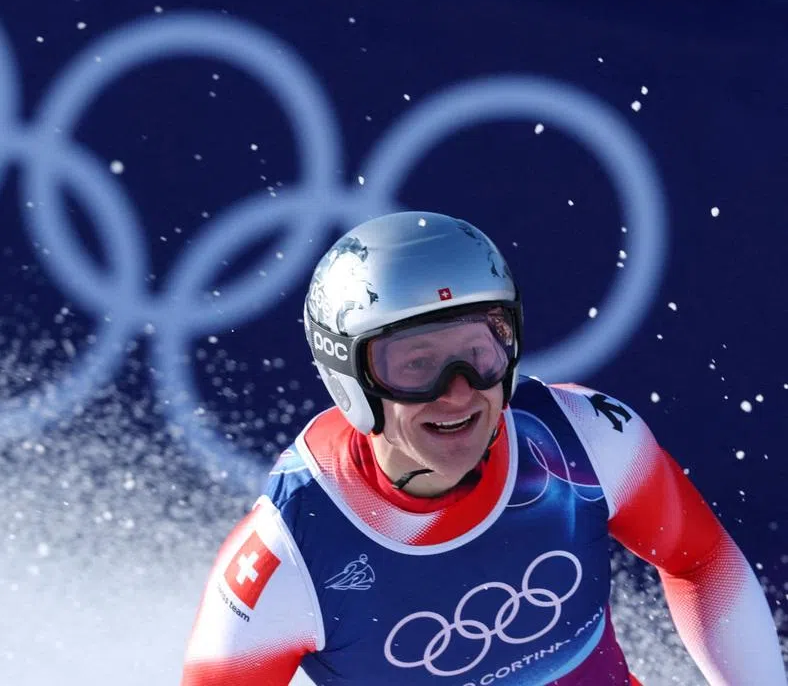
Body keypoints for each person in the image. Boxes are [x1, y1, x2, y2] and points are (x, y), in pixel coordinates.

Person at [180, 211, 786, 685]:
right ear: (351, 382)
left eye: (477, 354)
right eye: (415, 365)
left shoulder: (585, 439)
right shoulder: (288, 555)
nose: (458, 393)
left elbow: (702, 562)